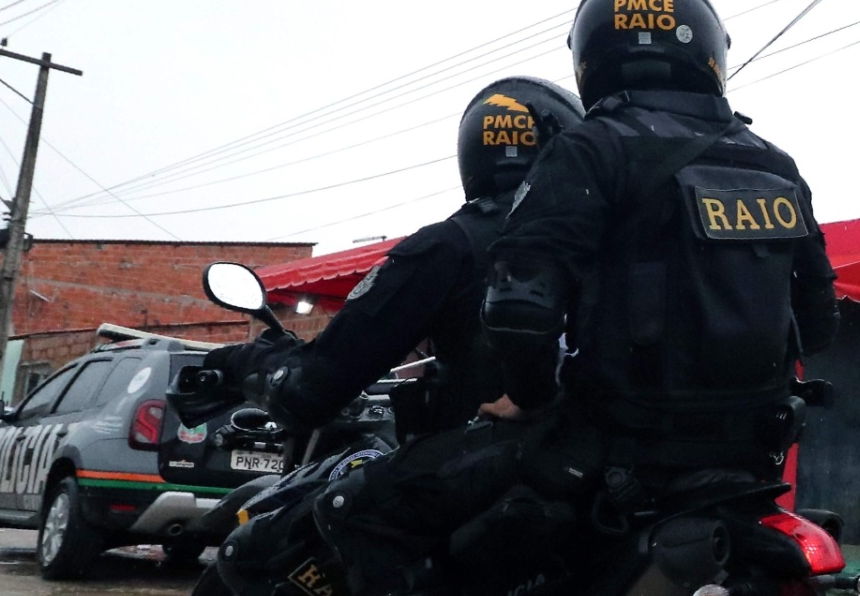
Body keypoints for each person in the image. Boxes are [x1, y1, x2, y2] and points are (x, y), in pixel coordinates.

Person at [272, 0, 841, 596]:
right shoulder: (772, 162)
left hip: (609, 448)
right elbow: (818, 318)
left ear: (595, 59)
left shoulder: (598, 147)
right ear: (710, 51)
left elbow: (523, 303)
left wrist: (528, 396)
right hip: (743, 460)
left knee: (364, 513)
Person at [207, 76, 583, 440]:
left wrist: (244, 361)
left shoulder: (448, 247)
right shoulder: (608, 241)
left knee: (334, 501)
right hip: (603, 476)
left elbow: (308, 393)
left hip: (492, 480)